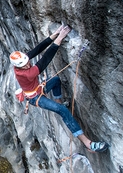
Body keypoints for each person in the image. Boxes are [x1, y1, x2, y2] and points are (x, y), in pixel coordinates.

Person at [9, 25, 109, 153]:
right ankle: (88, 143)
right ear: (19, 67)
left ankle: (58, 102)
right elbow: (45, 60)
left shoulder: (21, 63)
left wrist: (54, 35)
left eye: (27, 62)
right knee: (62, 110)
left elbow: (37, 49)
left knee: (56, 80)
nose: (28, 64)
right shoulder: (26, 73)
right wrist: (60, 38)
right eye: (25, 65)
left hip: (39, 89)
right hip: (35, 98)